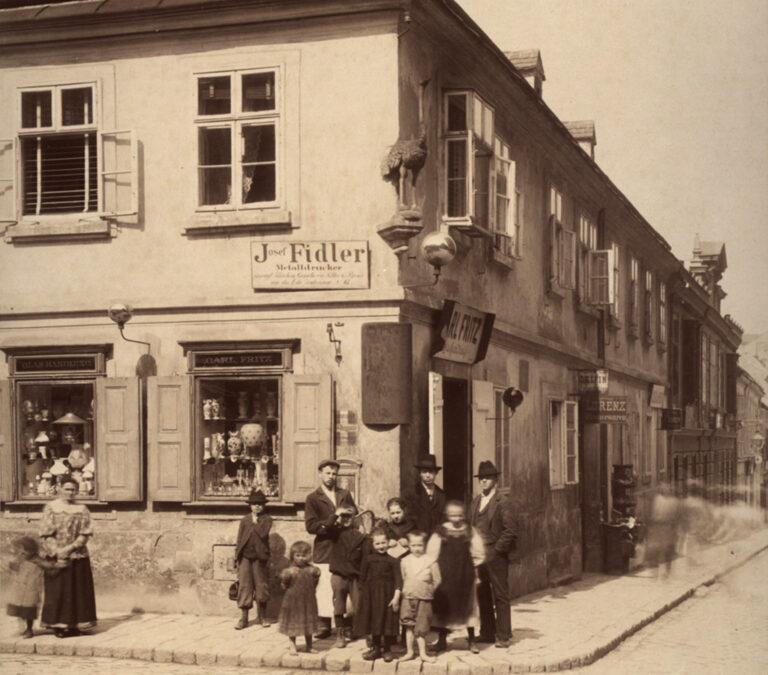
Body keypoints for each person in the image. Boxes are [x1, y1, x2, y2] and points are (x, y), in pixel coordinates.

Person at [304, 458, 357, 639]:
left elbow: (354, 514)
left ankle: (348, 625)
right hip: (325, 548)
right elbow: (311, 527)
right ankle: (324, 624)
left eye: (334, 473)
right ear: (320, 474)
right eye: (327, 473)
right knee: (325, 587)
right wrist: (333, 518)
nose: (331, 476)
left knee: (345, 586)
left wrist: (348, 518)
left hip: (344, 546)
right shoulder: (313, 498)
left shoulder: (344, 494)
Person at [39, 476, 97, 638]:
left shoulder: (82, 509)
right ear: (59, 488)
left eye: (73, 490)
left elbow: (85, 533)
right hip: (56, 555)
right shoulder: (51, 508)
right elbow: (45, 533)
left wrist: (70, 548)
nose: (70, 493)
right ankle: (59, 625)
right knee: (59, 590)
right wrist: (58, 552)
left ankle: (75, 625)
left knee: (77, 591)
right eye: (67, 489)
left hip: (77, 555)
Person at [469, 461, 517, 648]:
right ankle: (487, 632)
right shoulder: (475, 502)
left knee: (500, 595)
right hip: (478, 555)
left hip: (496, 555)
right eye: (481, 479)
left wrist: (497, 550)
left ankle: (504, 635)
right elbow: (470, 527)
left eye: (488, 478)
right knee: (482, 594)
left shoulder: (503, 502)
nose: (484, 482)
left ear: (495, 480)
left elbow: (511, 530)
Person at [428, 500, 485, 654]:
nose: (455, 518)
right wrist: (434, 572)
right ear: (447, 515)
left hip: (464, 575)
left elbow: (478, 553)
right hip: (445, 575)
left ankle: (472, 640)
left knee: (468, 606)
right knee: (444, 607)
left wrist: (472, 568)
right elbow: (432, 554)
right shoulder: (440, 532)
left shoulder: (469, 531)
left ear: (463, 515)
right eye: (452, 515)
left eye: (459, 515)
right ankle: (441, 640)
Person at [355, 528, 403, 662]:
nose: (381, 546)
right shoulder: (368, 559)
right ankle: (375, 648)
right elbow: (362, 579)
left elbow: (398, 580)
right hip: (371, 596)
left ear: (388, 543)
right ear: (372, 545)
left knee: (387, 621)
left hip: (388, 595)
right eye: (378, 543)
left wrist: (396, 597)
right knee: (374, 620)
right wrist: (364, 596)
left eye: (383, 543)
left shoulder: (394, 561)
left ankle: (387, 649)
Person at [4, 536, 66, 638]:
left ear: (32, 551)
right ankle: (22, 625)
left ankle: (29, 629)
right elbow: (13, 566)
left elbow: (49, 566)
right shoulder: (20, 558)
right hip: (18, 590)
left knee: (29, 612)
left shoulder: (37, 560)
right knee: (18, 610)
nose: (22, 552)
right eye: (20, 550)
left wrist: (59, 565)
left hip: (31, 591)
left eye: (25, 550)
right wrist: (12, 563)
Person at [398, 530, 441, 664]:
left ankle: (423, 653)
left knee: (421, 627)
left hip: (424, 598)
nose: (417, 548)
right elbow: (403, 578)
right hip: (408, 597)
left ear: (425, 545)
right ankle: (410, 651)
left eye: (420, 545)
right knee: (408, 625)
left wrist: (427, 591)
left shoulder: (431, 561)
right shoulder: (404, 561)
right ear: (409, 546)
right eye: (414, 545)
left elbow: (437, 580)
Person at [328, 501, 366, 648]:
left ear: (355, 517)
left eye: (349, 516)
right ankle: (340, 634)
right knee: (339, 605)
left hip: (355, 576)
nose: (346, 519)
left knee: (359, 604)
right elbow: (329, 526)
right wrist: (336, 513)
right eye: (343, 516)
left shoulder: (359, 536)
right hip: (338, 574)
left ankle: (362, 631)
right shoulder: (335, 532)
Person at [234, 487, 271, 630]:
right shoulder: (245, 520)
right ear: (250, 505)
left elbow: (262, 534)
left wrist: (256, 522)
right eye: (254, 503)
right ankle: (244, 619)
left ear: (264, 506)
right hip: (245, 558)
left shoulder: (267, 520)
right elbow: (239, 538)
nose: (257, 506)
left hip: (259, 558)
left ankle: (263, 616)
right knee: (244, 586)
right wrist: (237, 556)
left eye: (260, 504)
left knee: (261, 586)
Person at [278, 540, 321, 655]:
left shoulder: (313, 570)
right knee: (293, 622)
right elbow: (284, 585)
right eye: (298, 555)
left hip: (308, 600)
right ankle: (293, 645)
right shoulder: (289, 572)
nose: (301, 558)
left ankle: (309, 646)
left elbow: (315, 583)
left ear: (309, 556)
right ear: (292, 556)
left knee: (309, 621)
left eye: (304, 555)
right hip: (293, 601)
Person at [407, 456, 446, 537]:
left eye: (431, 472)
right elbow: (407, 519)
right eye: (424, 472)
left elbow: (443, 519)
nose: (428, 475)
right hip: (416, 539)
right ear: (419, 473)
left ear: (436, 473)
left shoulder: (442, 495)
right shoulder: (410, 493)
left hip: (435, 539)